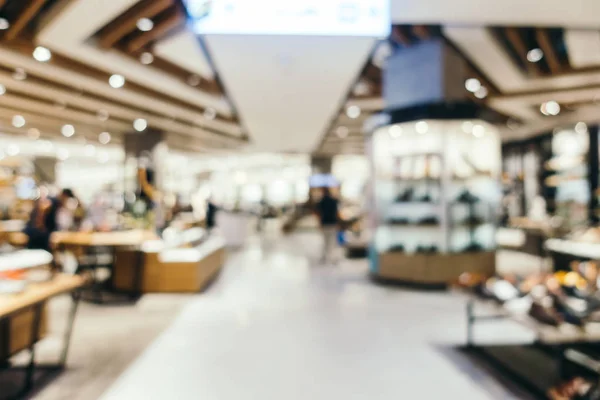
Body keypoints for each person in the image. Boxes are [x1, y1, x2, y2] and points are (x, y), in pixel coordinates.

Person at [315, 187, 340, 264]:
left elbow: (318, 213)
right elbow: (336, 213)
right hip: (332, 223)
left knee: (325, 241)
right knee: (332, 241)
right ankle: (332, 258)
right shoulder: (333, 201)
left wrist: (319, 223)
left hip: (325, 223)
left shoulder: (322, 201)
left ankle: (325, 257)